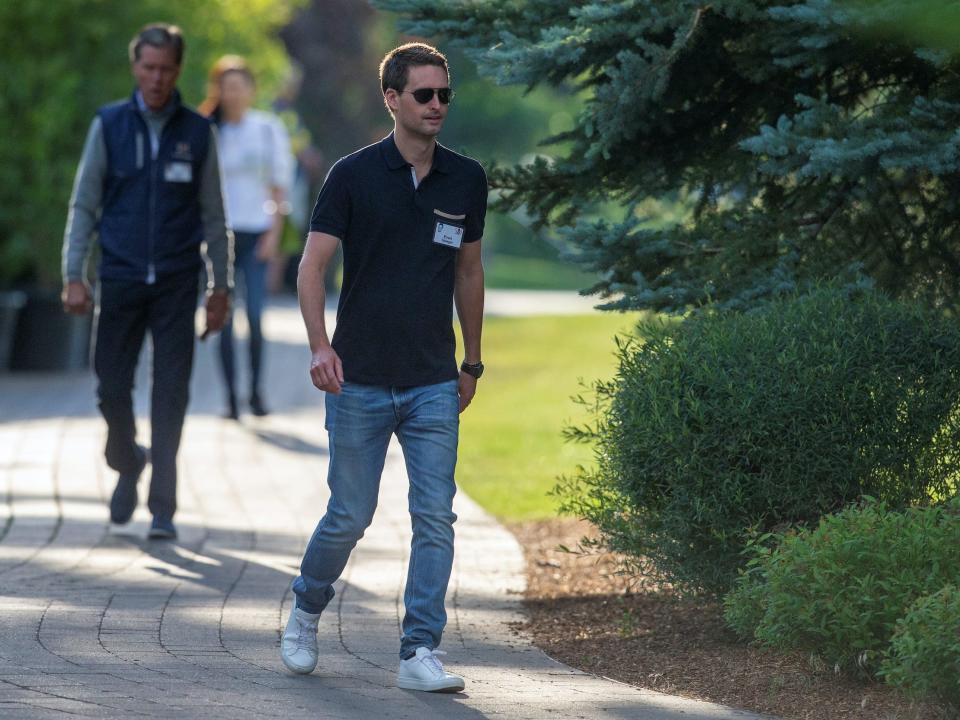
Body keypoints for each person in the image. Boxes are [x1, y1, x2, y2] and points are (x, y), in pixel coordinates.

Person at [280, 42, 487, 693]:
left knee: (436, 515)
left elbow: (469, 272)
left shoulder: (466, 178)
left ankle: (418, 648)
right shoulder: (352, 175)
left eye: (444, 95)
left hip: (431, 379)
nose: (436, 106)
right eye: (423, 95)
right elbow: (311, 268)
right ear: (392, 99)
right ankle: (306, 609)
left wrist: (472, 363)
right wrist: (319, 345)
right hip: (359, 378)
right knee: (349, 514)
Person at [61, 23, 233, 540]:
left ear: (178, 70)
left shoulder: (197, 133)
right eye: (148, 68)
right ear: (135, 67)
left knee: (171, 392)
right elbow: (85, 203)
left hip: (178, 282)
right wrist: (74, 273)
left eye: (166, 69)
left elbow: (214, 215)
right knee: (110, 386)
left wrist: (220, 287)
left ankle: (163, 507)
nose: (157, 78)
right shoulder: (109, 125)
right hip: (120, 278)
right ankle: (126, 458)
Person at [199, 56, 294, 419]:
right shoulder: (209, 130)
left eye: (240, 86)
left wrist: (274, 235)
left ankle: (256, 392)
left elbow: (279, 188)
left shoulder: (267, 129)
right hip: (220, 236)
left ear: (251, 90)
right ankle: (230, 399)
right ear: (218, 90)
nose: (233, 93)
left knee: (254, 315)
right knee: (222, 315)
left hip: (257, 233)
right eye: (227, 86)